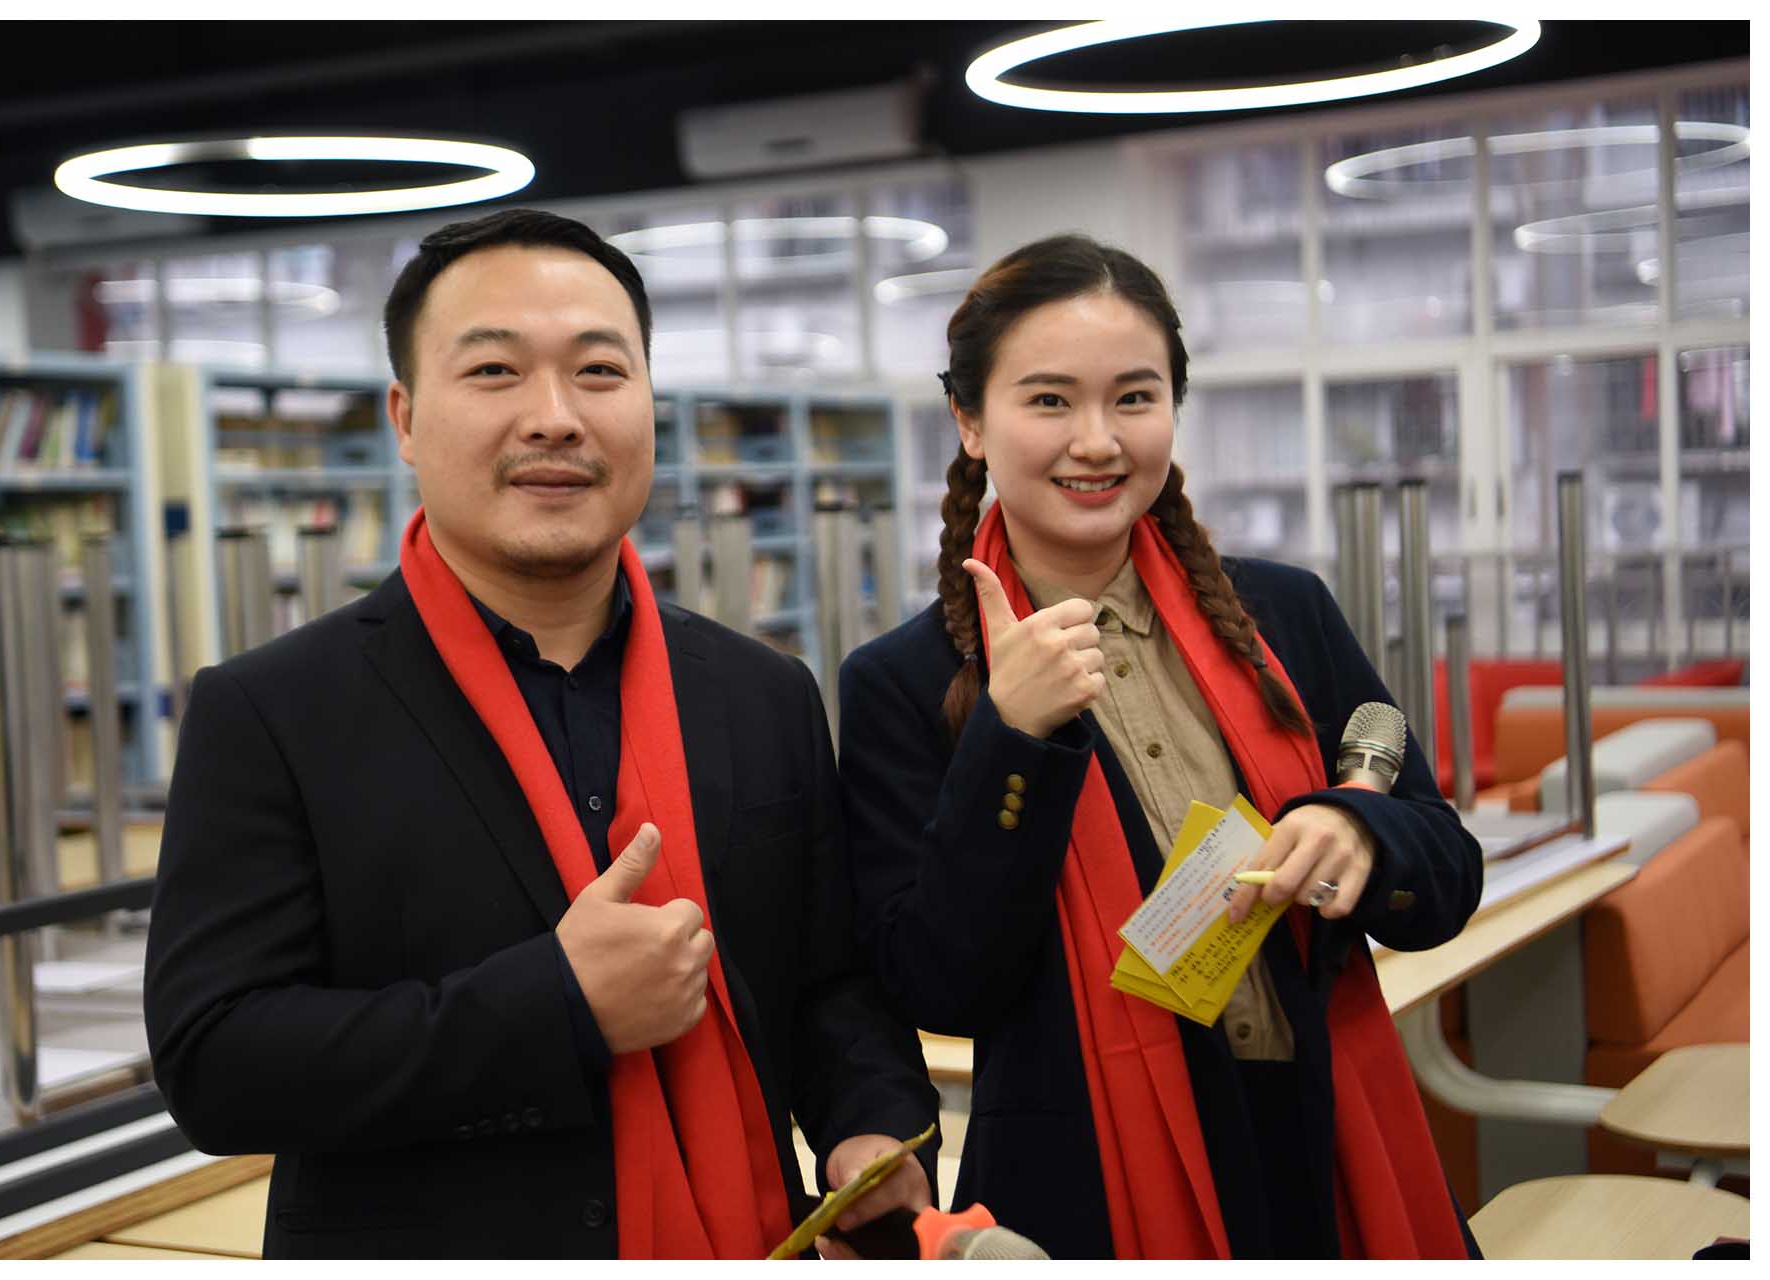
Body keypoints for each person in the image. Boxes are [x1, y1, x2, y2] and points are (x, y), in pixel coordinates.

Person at [144, 209, 938, 1260]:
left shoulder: (761, 692)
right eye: (495, 372)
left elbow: (829, 982)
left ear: (650, 402)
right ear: (405, 417)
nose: (556, 418)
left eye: (600, 371)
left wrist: (869, 1120)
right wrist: (558, 1005)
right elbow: (215, 1062)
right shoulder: (275, 709)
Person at [836, 233, 1484, 1259]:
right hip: (1092, 1179)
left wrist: (1362, 834)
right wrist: (1013, 735)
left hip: (1329, 1137)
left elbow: (1445, 874)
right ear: (970, 421)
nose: (1097, 440)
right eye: (1050, 400)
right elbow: (940, 985)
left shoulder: (1282, 615)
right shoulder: (903, 680)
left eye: (1133, 398)